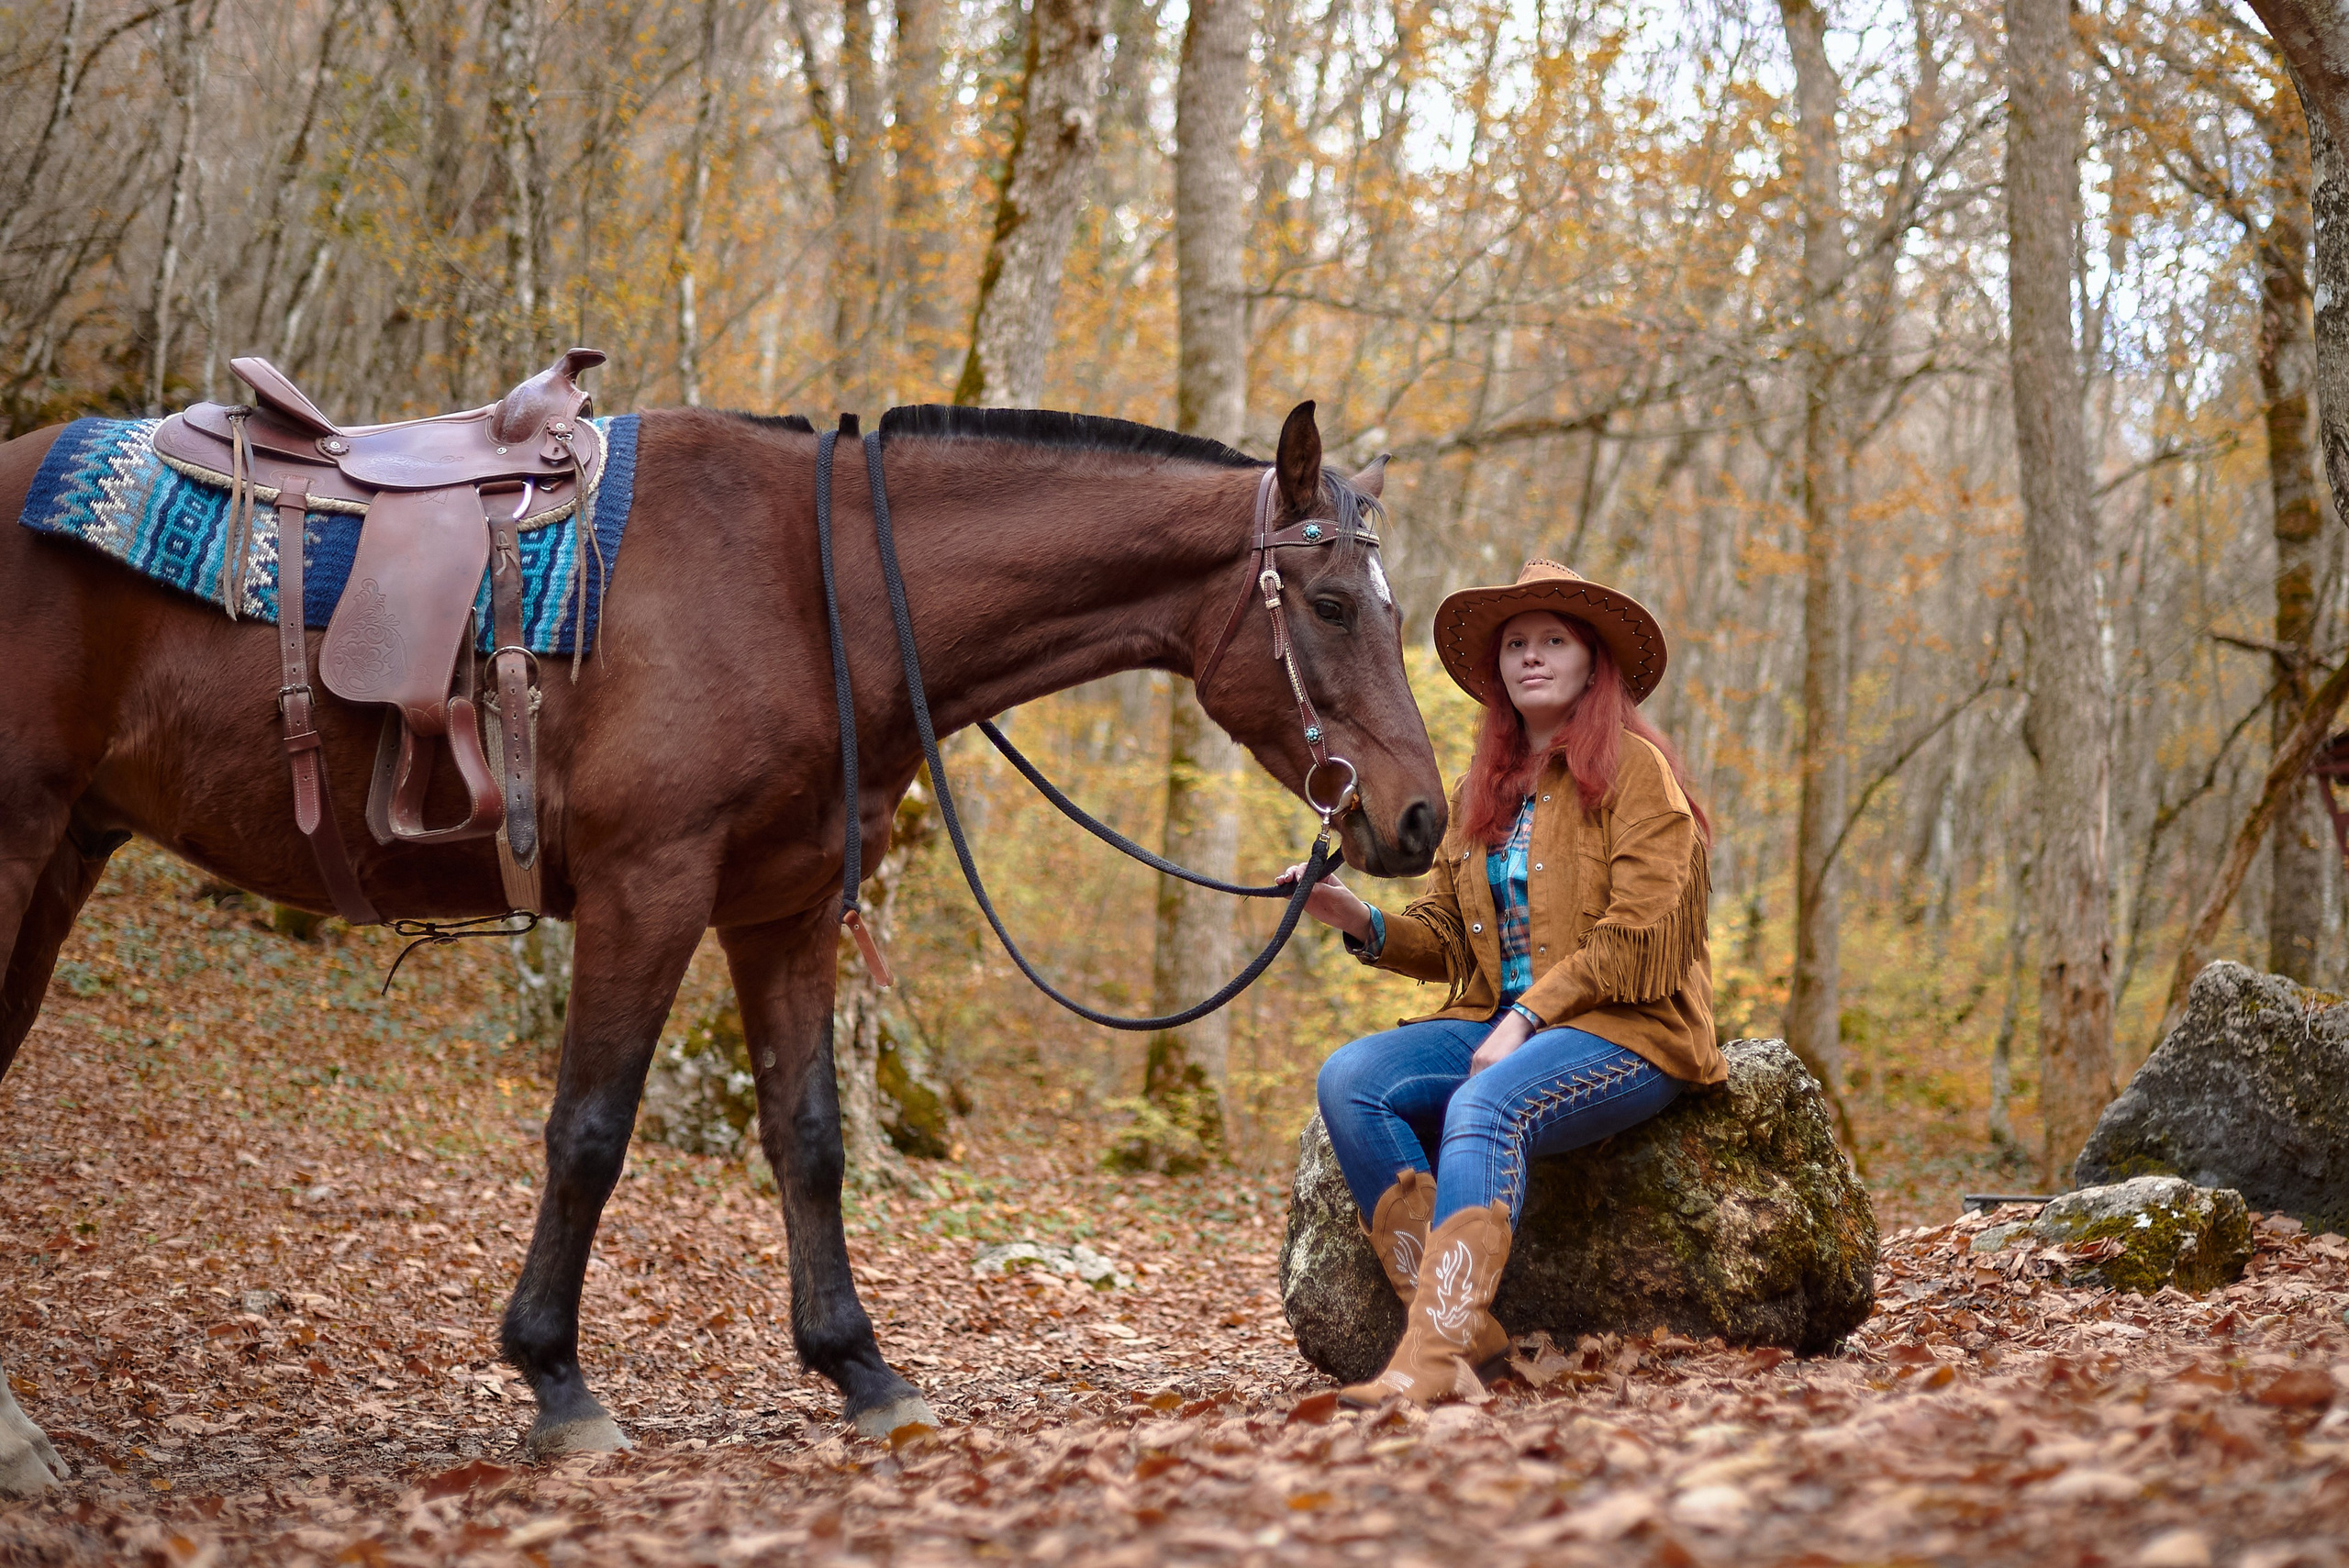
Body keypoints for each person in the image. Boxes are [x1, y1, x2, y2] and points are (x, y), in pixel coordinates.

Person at [1280, 559, 1719, 1407]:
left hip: (1627, 1027)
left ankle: (1432, 1360)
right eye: (1516, 643)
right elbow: (1448, 936)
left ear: (1594, 662)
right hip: (1500, 1020)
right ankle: (1453, 1328)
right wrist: (1357, 918)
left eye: (1553, 640)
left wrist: (1525, 1018)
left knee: (1489, 1103)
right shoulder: (1483, 791)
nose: (1531, 656)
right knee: (1352, 1079)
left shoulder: (1636, 773)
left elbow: (1641, 933)